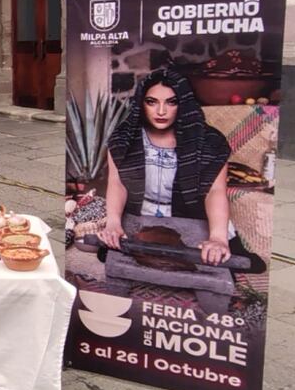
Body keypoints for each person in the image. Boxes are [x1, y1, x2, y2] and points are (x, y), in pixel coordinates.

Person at [99, 68, 263, 270]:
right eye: (152, 102)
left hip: (190, 214)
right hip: (141, 212)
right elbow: (117, 183)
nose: (161, 111)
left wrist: (218, 237)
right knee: (113, 253)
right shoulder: (123, 138)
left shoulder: (210, 143)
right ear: (141, 103)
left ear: (183, 103)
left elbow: (215, 191)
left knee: (228, 262)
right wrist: (113, 223)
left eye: (171, 102)